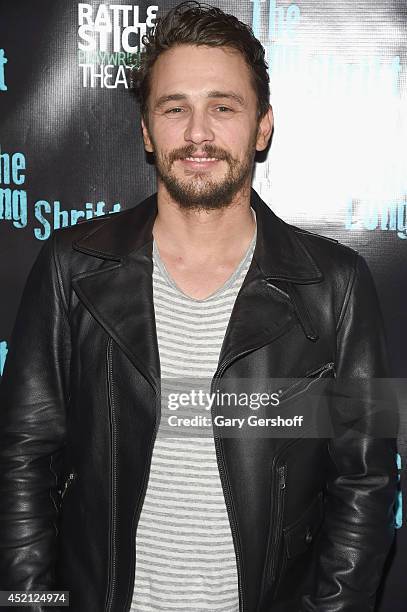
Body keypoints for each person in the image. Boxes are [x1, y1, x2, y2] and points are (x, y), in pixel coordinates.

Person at [0, 2, 398, 611]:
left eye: (223, 106)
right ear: (145, 131)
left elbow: (365, 480)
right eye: (174, 107)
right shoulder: (70, 269)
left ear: (262, 127)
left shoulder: (338, 286)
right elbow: (22, 461)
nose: (197, 134)